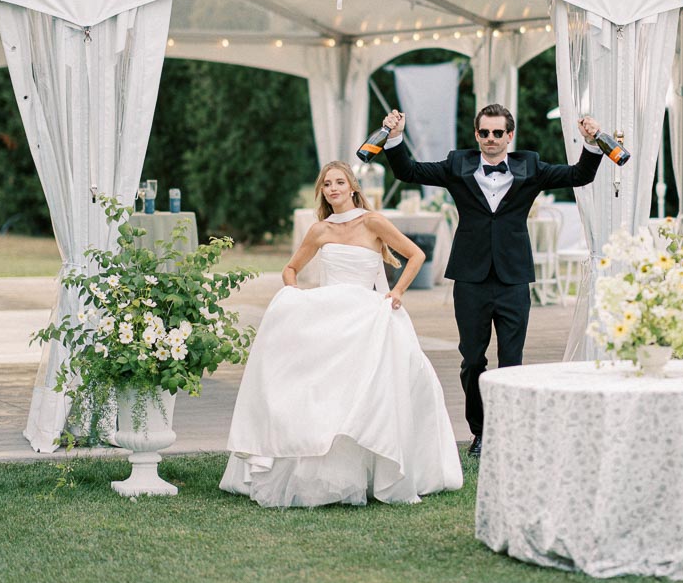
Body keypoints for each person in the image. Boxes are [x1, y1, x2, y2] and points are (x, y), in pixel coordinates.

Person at [220, 160, 463, 507]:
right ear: (322, 191)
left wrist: (397, 291)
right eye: (327, 184)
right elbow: (290, 268)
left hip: (366, 313)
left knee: (382, 383)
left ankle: (380, 469)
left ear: (352, 187)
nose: (333, 189)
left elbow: (416, 255)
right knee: (316, 388)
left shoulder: (372, 221)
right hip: (329, 313)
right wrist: (294, 294)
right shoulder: (320, 230)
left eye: (339, 182)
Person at [381, 104, 603, 457]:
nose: (490, 139)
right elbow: (408, 171)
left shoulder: (531, 166)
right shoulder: (457, 165)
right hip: (470, 278)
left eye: (498, 133)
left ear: (509, 135)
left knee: (511, 361)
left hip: (514, 277)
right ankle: (481, 432)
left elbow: (580, 175)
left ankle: (509, 432)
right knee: (472, 359)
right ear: (476, 135)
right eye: (484, 133)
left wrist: (591, 143)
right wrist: (394, 137)